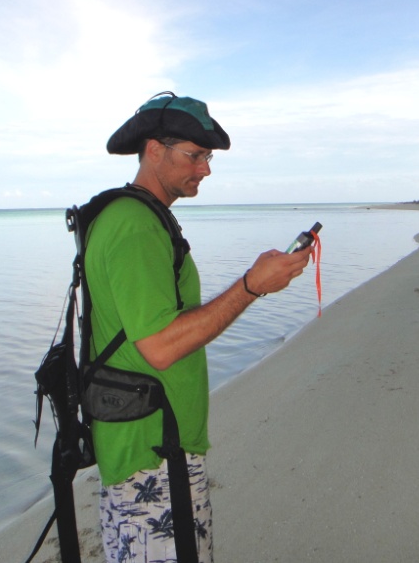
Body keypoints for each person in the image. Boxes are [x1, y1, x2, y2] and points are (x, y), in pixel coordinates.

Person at [84, 92, 312, 563]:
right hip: (150, 452)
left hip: (155, 442)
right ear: (153, 150)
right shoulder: (134, 225)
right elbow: (162, 347)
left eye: (206, 157)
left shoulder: (141, 216)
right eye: (194, 155)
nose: (205, 169)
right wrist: (251, 286)